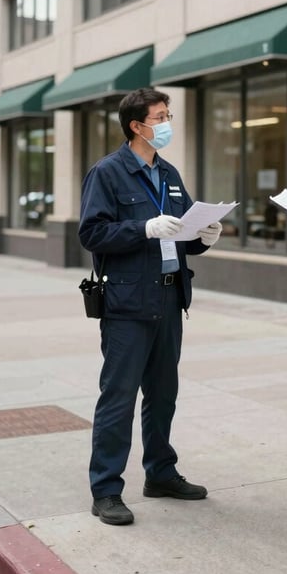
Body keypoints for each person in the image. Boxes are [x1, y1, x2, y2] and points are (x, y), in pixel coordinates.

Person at [79, 87, 223, 526]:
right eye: (160, 117)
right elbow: (91, 234)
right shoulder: (107, 173)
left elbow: (181, 235)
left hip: (169, 297)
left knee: (163, 395)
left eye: (167, 116)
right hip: (127, 302)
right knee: (119, 397)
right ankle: (106, 489)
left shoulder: (170, 174)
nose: (166, 124)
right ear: (136, 126)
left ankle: (160, 473)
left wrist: (204, 237)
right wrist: (143, 228)